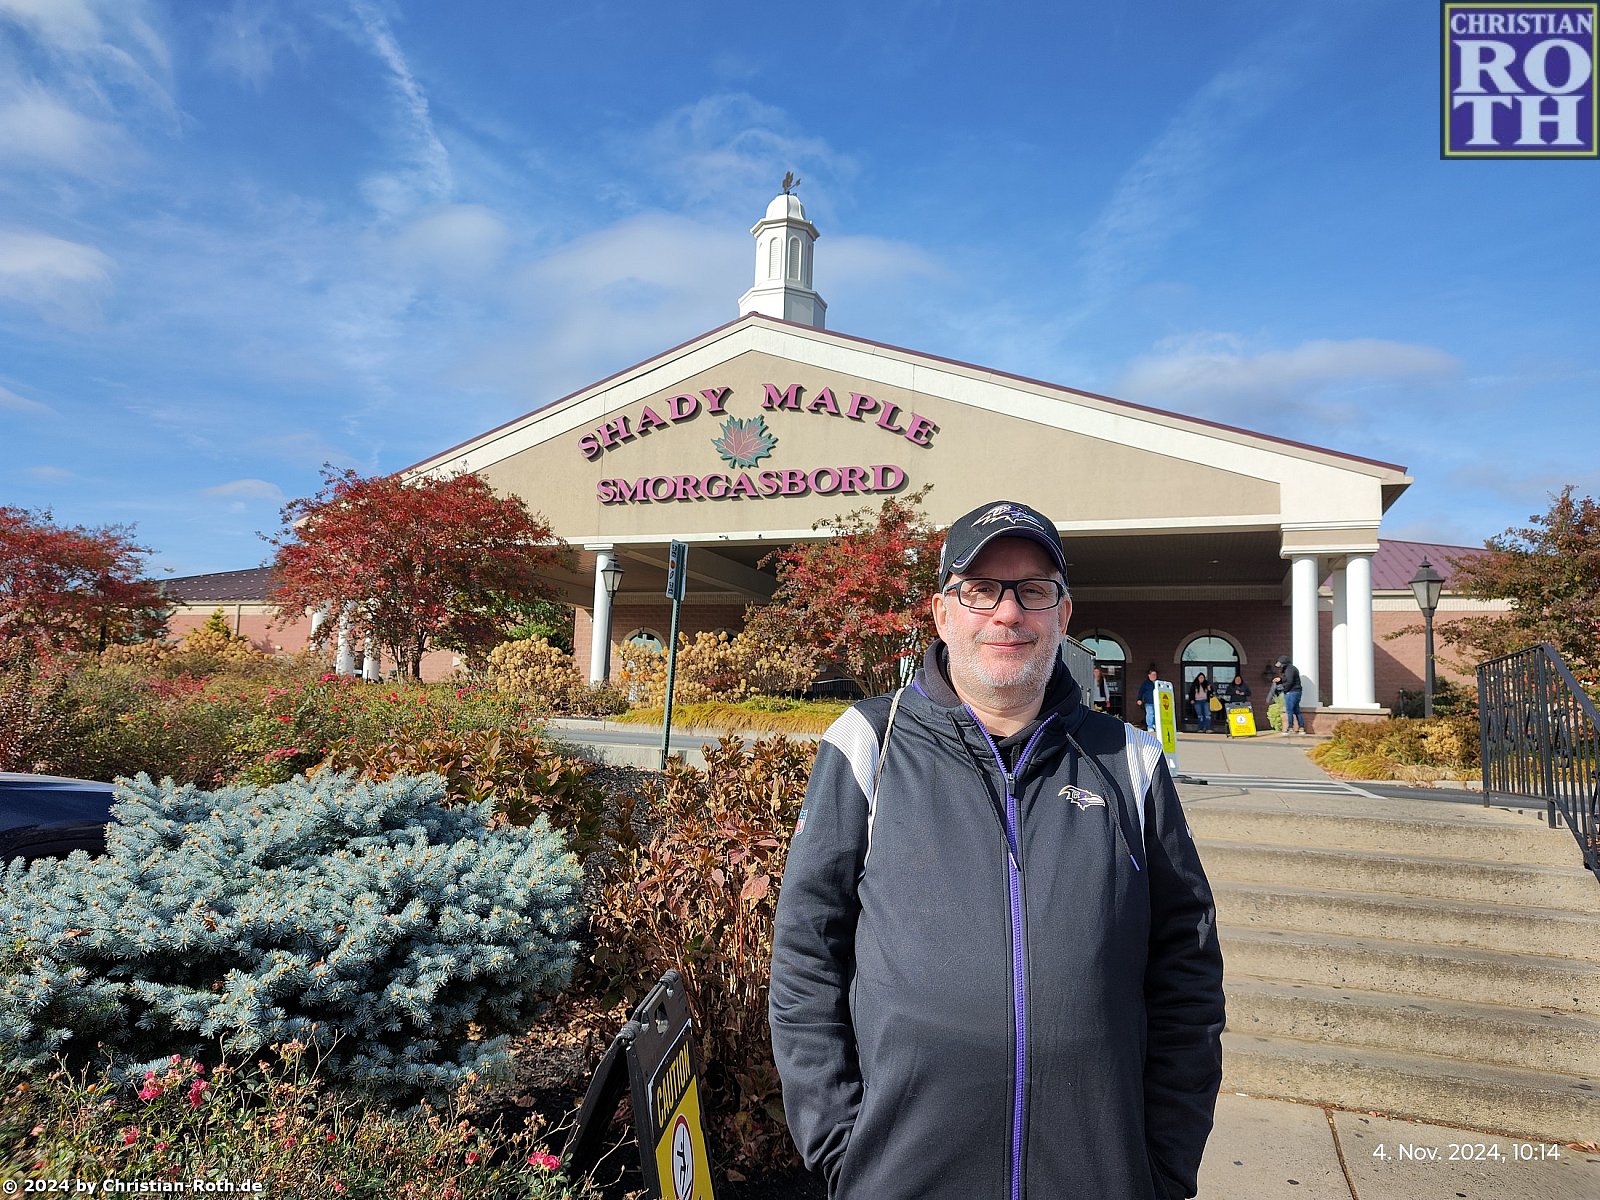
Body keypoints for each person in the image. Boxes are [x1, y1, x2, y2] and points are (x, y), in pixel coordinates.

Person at [770, 499, 1226, 1200]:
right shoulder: (868, 746)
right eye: (980, 589)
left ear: (1063, 615)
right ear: (941, 612)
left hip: (1098, 1175)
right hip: (903, 1174)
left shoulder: (1128, 761)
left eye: (1033, 590)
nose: (1007, 613)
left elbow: (1186, 969)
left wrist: (1163, 1163)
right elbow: (806, 955)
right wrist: (840, 1147)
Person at [1275, 654, 1306, 734]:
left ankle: (1290, 727)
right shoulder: (1292, 669)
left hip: (1291, 692)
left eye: (1281, 664)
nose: (1280, 667)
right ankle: (1301, 727)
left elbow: (1290, 681)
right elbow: (1288, 679)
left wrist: (1283, 688)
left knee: (1289, 710)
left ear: (1284, 664)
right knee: (1296, 710)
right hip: (1296, 691)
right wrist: (1280, 679)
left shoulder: (1289, 670)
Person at [1136, 665, 1161, 733]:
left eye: (1155, 675)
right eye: (1152, 675)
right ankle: (1150, 726)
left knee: (1157, 714)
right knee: (1150, 714)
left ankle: (1155, 725)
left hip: (1158, 702)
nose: (1154, 676)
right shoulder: (1145, 683)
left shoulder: (1158, 683)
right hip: (1149, 702)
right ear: (1149, 675)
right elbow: (1141, 691)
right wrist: (1139, 699)